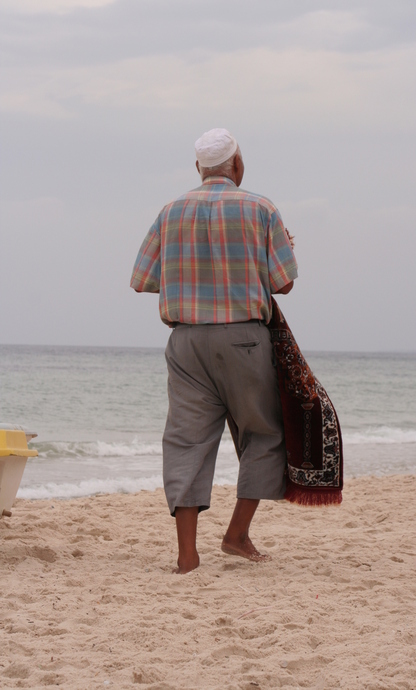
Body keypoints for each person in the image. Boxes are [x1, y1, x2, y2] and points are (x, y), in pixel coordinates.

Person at [131, 128, 298, 573]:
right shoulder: (261, 208)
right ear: (237, 165)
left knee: (186, 440)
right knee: (264, 432)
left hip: (185, 341)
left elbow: (141, 281)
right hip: (243, 336)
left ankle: (187, 556)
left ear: (198, 169)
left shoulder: (170, 211)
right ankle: (236, 534)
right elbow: (283, 282)